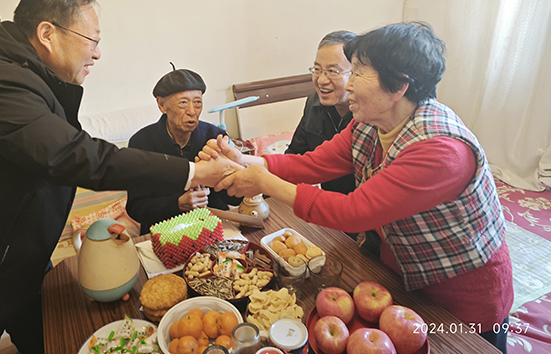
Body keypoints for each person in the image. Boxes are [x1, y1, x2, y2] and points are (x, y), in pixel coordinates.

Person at [0, 0, 239, 354]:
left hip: (15, 259)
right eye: (92, 40)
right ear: (47, 33)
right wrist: (193, 173)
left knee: (55, 339)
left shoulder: (26, 79)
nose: (97, 53)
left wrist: (98, 239)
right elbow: (74, 156)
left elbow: (46, 169)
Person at [201, 22, 513, 353]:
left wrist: (264, 183)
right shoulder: (369, 122)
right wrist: (247, 161)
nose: (347, 84)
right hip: (401, 272)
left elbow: (353, 212)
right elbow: (313, 163)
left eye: (359, 73)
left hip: (460, 296)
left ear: (398, 86)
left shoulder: (440, 151)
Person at [127, 66, 243, 234]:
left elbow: (235, 199)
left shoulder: (215, 137)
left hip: (213, 227)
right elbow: (136, 208)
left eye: (197, 103)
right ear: (162, 105)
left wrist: (229, 174)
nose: (192, 112)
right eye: (183, 103)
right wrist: (178, 204)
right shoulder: (142, 143)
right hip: (163, 232)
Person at [286, 30, 357, 193]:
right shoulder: (314, 103)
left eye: (332, 71)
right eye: (317, 69)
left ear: (355, 73)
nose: (321, 80)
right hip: (327, 200)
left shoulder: (370, 115)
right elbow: (296, 156)